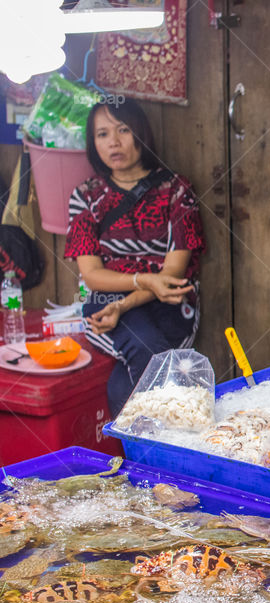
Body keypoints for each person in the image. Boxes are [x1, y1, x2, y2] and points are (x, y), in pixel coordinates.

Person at [64, 98, 205, 417]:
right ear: (93, 142)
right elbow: (92, 275)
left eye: (123, 130)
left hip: (169, 301)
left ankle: (137, 459)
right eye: (102, 134)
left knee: (121, 385)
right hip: (107, 299)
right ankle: (186, 429)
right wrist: (136, 284)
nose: (113, 142)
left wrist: (126, 303)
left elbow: (172, 275)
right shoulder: (85, 197)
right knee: (148, 351)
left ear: (140, 132)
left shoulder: (177, 190)